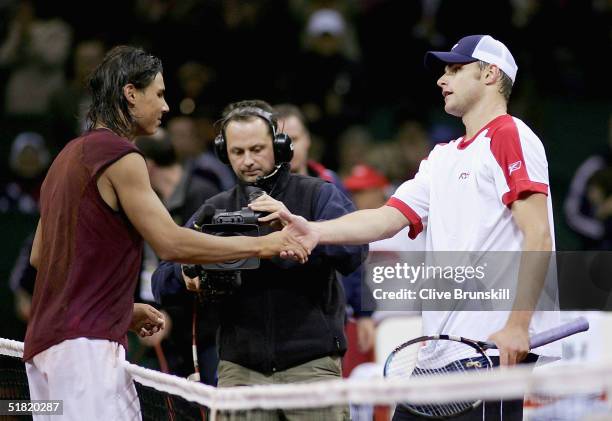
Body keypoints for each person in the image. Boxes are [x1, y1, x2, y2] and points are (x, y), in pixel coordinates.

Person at [279, 35, 560, 420]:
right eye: (444, 71)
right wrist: (314, 231)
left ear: (491, 74)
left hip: (489, 350)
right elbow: (384, 218)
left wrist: (517, 326)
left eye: (456, 69)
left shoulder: (510, 135)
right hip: (439, 351)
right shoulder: (442, 157)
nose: (442, 79)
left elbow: (539, 235)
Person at [23, 47, 308, 421]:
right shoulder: (120, 157)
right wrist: (266, 244)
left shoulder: (65, 158)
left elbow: (41, 257)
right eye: (158, 94)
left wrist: (119, 312)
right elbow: (170, 243)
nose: (166, 106)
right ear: (130, 94)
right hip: (84, 357)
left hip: (44, 354)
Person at [152, 99, 366, 420]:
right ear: (225, 153)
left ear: (279, 147)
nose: (248, 161)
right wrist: (186, 273)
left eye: (257, 149)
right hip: (239, 371)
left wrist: (302, 232)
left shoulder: (317, 195)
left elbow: (354, 253)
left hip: (310, 366)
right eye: (238, 152)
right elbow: (161, 280)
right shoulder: (215, 208)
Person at [274, 103, 376, 358]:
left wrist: (364, 312)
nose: (291, 147)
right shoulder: (259, 193)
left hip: (328, 314)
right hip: (277, 316)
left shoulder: (331, 184)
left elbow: (353, 246)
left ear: (308, 140)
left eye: (295, 138)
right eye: (282, 140)